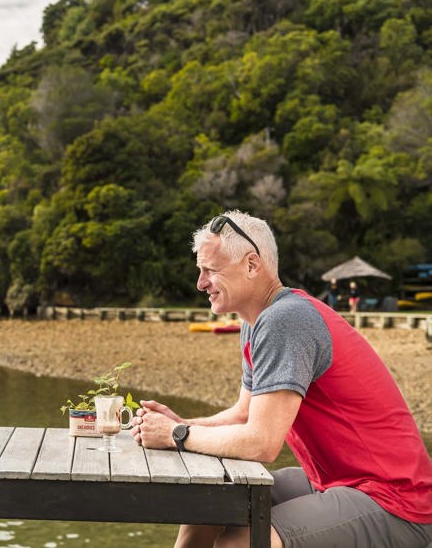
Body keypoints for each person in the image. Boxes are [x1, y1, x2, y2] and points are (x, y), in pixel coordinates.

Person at [132, 211, 432, 548]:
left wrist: (177, 435)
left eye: (211, 271)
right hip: (337, 481)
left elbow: (262, 442)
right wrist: (185, 423)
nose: (201, 283)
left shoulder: (286, 319)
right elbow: (244, 415)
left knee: (236, 545)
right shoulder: (256, 322)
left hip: (395, 500)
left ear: (251, 265)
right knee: (210, 502)